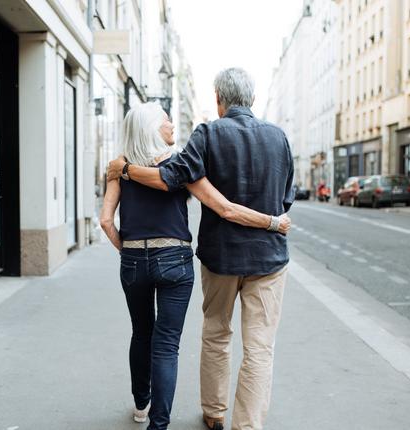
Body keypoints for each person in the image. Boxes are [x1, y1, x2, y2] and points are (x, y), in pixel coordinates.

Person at [108, 67, 294, 430]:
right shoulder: (280, 137)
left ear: (218, 100)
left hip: (220, 257)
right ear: (252, 100)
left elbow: (171, 177)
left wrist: (125, 169)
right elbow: (286, 197)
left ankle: (214, 412)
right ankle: (247, 425)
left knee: (216, 333)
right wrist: (271, 221)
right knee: (259, 348)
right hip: (269, 259)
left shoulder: (207, 134)